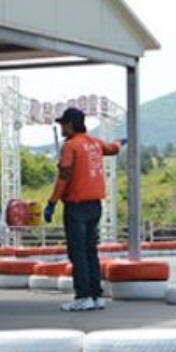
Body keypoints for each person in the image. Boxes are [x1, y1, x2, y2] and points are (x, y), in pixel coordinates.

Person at [44, 107, 123, 312]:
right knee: (90, 251)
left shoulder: (71, 146)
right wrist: (120, 143)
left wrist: (52, 202)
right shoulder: (94, 143)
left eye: (63, 123)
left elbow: (65, 177)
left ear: (71, 124)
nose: (61, 127)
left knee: (77, 252)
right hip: (95, 205)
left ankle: (83, 296)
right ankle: (96, 296)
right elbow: (112, 149)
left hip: (77, 205)